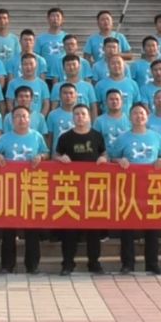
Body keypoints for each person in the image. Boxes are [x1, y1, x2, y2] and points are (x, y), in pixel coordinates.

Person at [0, 106, 49, 274]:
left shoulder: (36, 136)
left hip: (31, 187)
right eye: (17, 116)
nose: (21, 119)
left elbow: (46, 153)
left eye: (24, 116)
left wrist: (41, 157)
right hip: (10, 189)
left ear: (29, 119)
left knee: (32, 228)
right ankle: (7, 265)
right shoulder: (4, 138)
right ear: (12, 120)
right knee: (9, 228)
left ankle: (32, 265)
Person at [111, 103, 161, 275]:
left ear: (147, 116)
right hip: (129, 187)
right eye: (135, 113)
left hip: (151, 187)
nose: (139, 116)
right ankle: (127, 263)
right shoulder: (123, 138)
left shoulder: (156, 137)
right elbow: (112, 157)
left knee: (152, 226)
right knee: (128, 226)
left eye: (142, 113)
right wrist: (119, 161)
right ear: (130, 117)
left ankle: (152, 263)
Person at [55, 104, 108, 275]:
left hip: (93, 189)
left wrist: (103, 159)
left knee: (94, 228)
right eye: (76, 114)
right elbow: (56, 155)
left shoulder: (97, 136)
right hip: (71, 188)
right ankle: (67, 263)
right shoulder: (65, 137)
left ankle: (94, 262)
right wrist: (60, 158)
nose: (80, 117)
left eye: (83, 114)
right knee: (70, 228)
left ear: (89, 116)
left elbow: (104, 154)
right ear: (73, 117)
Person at [94, 89, 132, 156]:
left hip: (126, 159)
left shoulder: (130, 119)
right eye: (111, 99)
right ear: (106, 102)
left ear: (122, 102)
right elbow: (95, 142)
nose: (114, 101)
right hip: (106, 159)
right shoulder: (99, 121)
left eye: (117, 99)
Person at [46, 84, 78, 152]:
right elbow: (49, 139)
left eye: (71, 93)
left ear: (76, 95)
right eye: (65, 93)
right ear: (60, 96)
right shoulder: (52, 115)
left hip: (77, 155)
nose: (68, 96)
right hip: (58, 155)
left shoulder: (82, 114)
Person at [35, 8, 68, 75]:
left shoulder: (67, 37)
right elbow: (36, 58)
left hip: (63, 75)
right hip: (46, 75)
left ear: (62, 19)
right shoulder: (40, 38)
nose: (55, 18)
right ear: (48, 19)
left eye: (58, 16)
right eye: (52, 16)